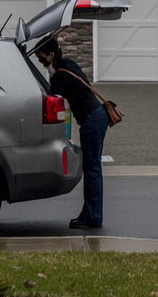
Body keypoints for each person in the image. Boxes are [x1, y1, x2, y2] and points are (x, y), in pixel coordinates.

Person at [35, 38, 108, 230]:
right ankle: (91, 214)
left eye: (42, 58)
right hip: (98, 115)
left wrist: (51, 77)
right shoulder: (68, 64)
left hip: (91, 120)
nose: (40, 61)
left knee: (92, 170)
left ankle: (93, 217)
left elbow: (52, 98)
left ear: (51, 55)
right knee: (93, 169)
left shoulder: (60, 75)